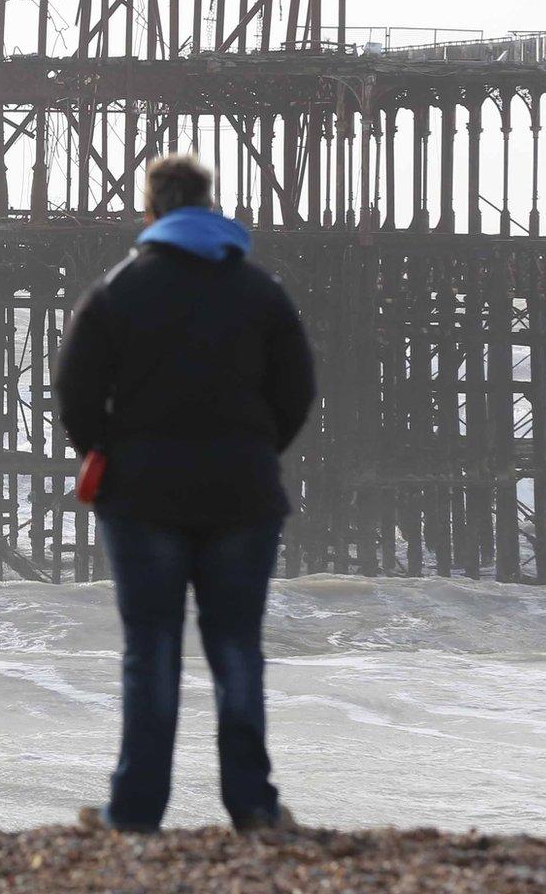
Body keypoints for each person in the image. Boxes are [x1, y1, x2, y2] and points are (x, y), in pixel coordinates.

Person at [56, 154, 316, 834]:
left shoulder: (116, 291)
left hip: (142, 497)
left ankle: (137, 811)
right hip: (243, 494)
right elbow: (296, 394)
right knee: (236, 649)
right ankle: (254, 808)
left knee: (153, 648)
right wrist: (256, 450)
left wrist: (106, 453)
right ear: (210, 204)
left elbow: (76, 397)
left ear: (151, 211)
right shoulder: (262, 292)